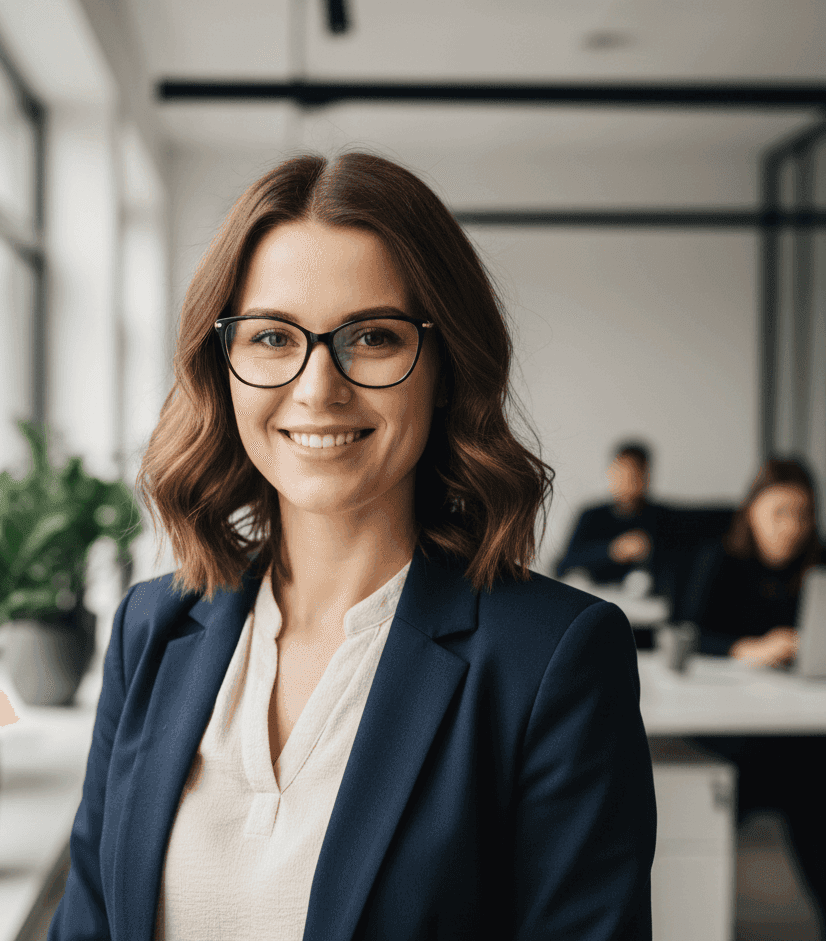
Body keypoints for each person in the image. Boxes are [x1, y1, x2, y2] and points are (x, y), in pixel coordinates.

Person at [48, 152, 656, 941]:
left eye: (371, 336)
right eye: (272, 336)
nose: (317, 387)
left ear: (444, 367)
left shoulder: (553, 660)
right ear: (221, 363)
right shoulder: (150, 630)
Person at [685, 457, 825, 918]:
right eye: (779, 512)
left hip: (798, 729)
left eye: (803, 514)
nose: (792, 526)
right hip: (730, 729)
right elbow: (685, 634)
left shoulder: (817, 565)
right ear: (752, 511)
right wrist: (746, 649)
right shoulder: (719, 558)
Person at [556, 441, 668, 586]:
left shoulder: (660, 517)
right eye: (622, 474)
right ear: (611, 473)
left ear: (646, 476)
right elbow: (564, 565)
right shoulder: (591, 515)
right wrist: (613, 550)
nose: (627, 481)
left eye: (634, 475)